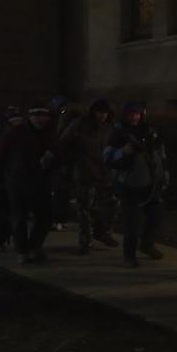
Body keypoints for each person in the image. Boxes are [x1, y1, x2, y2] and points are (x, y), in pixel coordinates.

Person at [0, 101, 58, 264]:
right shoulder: (15, 133)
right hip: (18, 182)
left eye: (44, 116)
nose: (41, 119)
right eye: (37, 115)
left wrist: (52, 159)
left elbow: (58, 152)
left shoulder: (49, 134)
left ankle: (34, 247)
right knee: (19, 218)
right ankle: (22, 251)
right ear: (31, 116)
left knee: (46, 217)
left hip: (40, 182)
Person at [104, 102, 167, 268]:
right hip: (129, 185)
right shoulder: (118, 134)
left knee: (156, 216)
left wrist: (163, 172)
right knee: (131, 223)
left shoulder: (149, 131)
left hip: (150, 183)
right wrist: (122, 152)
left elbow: (159, 152)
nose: (134, 117)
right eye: (131, 114)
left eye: (137, 114)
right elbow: (107, 156)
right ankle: (129, 255)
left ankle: (147, 245)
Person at [60, 99, 118, 254]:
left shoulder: (109, 128)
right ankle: (86, 240)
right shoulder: (80, 125)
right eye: (100, 112)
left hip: (104, 172)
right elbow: (64, 142)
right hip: (85, 171)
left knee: (110, 205)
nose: (102, 116)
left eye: (105, 113)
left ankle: (103, 232)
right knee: (84, 208)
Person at [51, 95, 80, 231]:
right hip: (70, 159)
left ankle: (59, 219)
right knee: (64, 191)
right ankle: (61, 219)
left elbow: (60, 137)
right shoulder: (74, 115)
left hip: (64, 160)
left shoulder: (65, 115)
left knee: (60, 191)